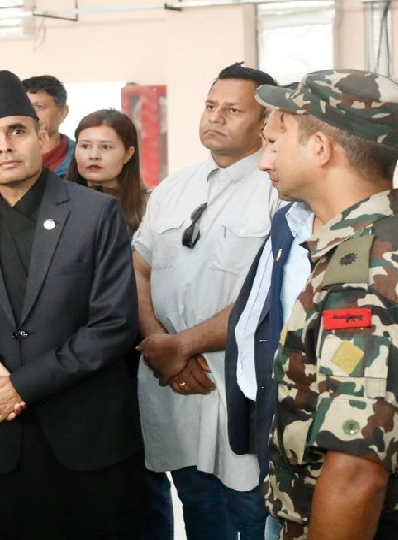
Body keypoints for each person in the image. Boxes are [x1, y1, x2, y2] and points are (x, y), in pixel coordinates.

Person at [0, 70, 143, 540]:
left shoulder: (95, 213)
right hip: (5, 443)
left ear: (42, 137)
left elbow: (112, 326)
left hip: (88, 441)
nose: (4, 146)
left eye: (17, 131)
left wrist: (21, 386)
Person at [224, 104, 398, 540]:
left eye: (280, 140)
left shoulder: (365, 276)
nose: (265, 161)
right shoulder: (394, 239)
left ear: (320, 148)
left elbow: (356, 472)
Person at [133, 62, 278, 540]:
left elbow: (268, 296)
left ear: (265, 121)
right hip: (176, 386)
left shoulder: (278, 189)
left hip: (236, 387)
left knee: (251, 516)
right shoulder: (175, 186)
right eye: (211, 106)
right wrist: (159, 342)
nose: (215, 117)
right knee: (198, 512)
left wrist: (182, 346)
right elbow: (138, 266)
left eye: (233, 110)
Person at [65, 108, 148, 236]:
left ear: (128, 154)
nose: (94, 156)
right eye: (85, 146)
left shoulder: (150, 205)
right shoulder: (56, 200)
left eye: (106, 147)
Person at [21, 75, 74, 177]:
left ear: (63, 112)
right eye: (25, 107)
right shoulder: (7, 158)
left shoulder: (80, 160)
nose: (31, 114)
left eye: (39, 107)